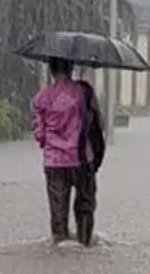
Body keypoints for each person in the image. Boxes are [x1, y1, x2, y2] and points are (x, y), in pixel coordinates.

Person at [32, 58, 102, 246]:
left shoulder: (42, 97)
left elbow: (39, 134)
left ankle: (60, 240)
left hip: (54, 161)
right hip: (82, 159)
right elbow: (95, 124)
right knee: (85, 204)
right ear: (71, 68)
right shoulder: (84, 92)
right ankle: (85, 240)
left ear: (52, 71)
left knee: (58, 209)